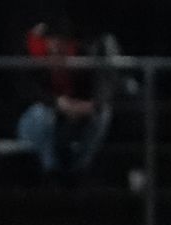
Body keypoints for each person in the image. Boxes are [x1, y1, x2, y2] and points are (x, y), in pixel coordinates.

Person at [15, 20, 118, 182]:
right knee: (40, 114)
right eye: (51, 40)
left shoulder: (80, 57)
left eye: (61, 41)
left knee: (103, 114)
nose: (56, 46)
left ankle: (80, 169)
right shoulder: (36, 58)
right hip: (37, 122)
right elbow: (27, 89)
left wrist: (87, 106)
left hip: (72, 118)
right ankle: (49, 173)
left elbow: (102, 87)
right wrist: (58, 104)